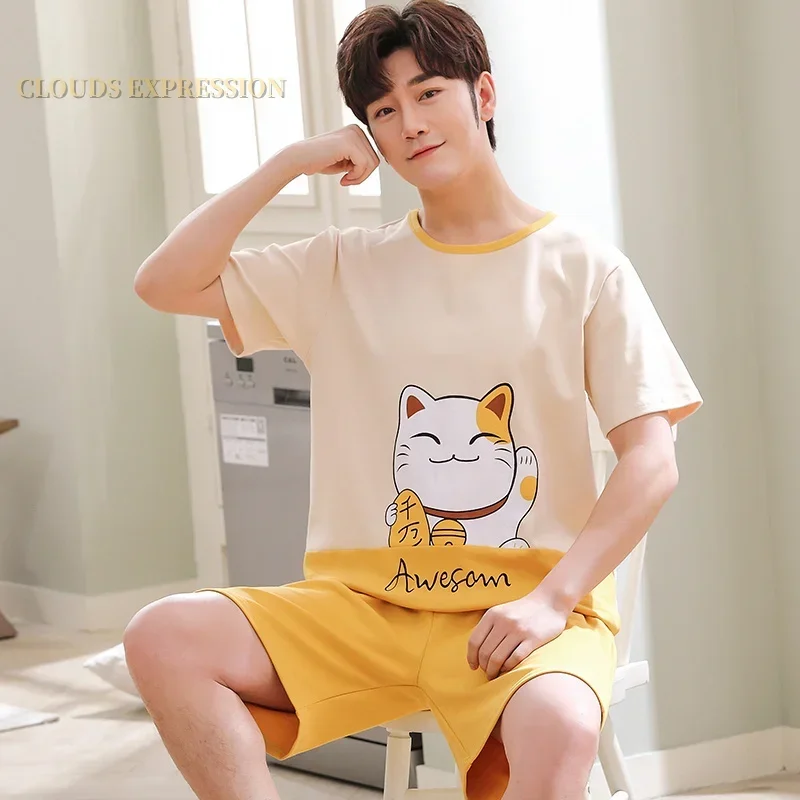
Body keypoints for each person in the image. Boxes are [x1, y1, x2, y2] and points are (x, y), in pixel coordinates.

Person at [126, 1, 703, 799]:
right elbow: (163, 283)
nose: (410, 123)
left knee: (563, 724)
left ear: (484, 96)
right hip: (361, 610)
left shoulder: (584, 267)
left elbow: (652, 461)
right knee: (162, 636)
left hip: (523, 609)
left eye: (429, 93)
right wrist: (290, 162)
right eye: (383, 110)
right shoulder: (342, 266)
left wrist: (553, 600)